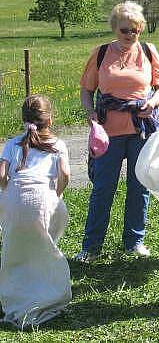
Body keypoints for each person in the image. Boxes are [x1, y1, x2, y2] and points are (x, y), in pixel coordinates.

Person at [76, 1, 159, 263]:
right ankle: (91, 247)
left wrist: (152, 102)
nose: (130, 35)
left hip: (140, 130)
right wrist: (89, 112)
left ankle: (134, 242)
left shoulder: (149, 52)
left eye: (135, 30)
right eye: (125, 30)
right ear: (115, 28)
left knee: (139, 187)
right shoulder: (101, 53)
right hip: (107, 133)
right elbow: (86, 89)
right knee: (103, 188)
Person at [0, 95, 71, 328]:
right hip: (43, 198)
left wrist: (8, 191)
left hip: (14, 198)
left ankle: (14, 298)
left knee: (15, 249)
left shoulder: (12, 144)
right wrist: (57, 194)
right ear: (49, 120)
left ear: (23, 120)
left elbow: (1, 175)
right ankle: (47, 297)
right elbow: (66, 175)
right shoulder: (57, 145)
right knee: (45, 247)